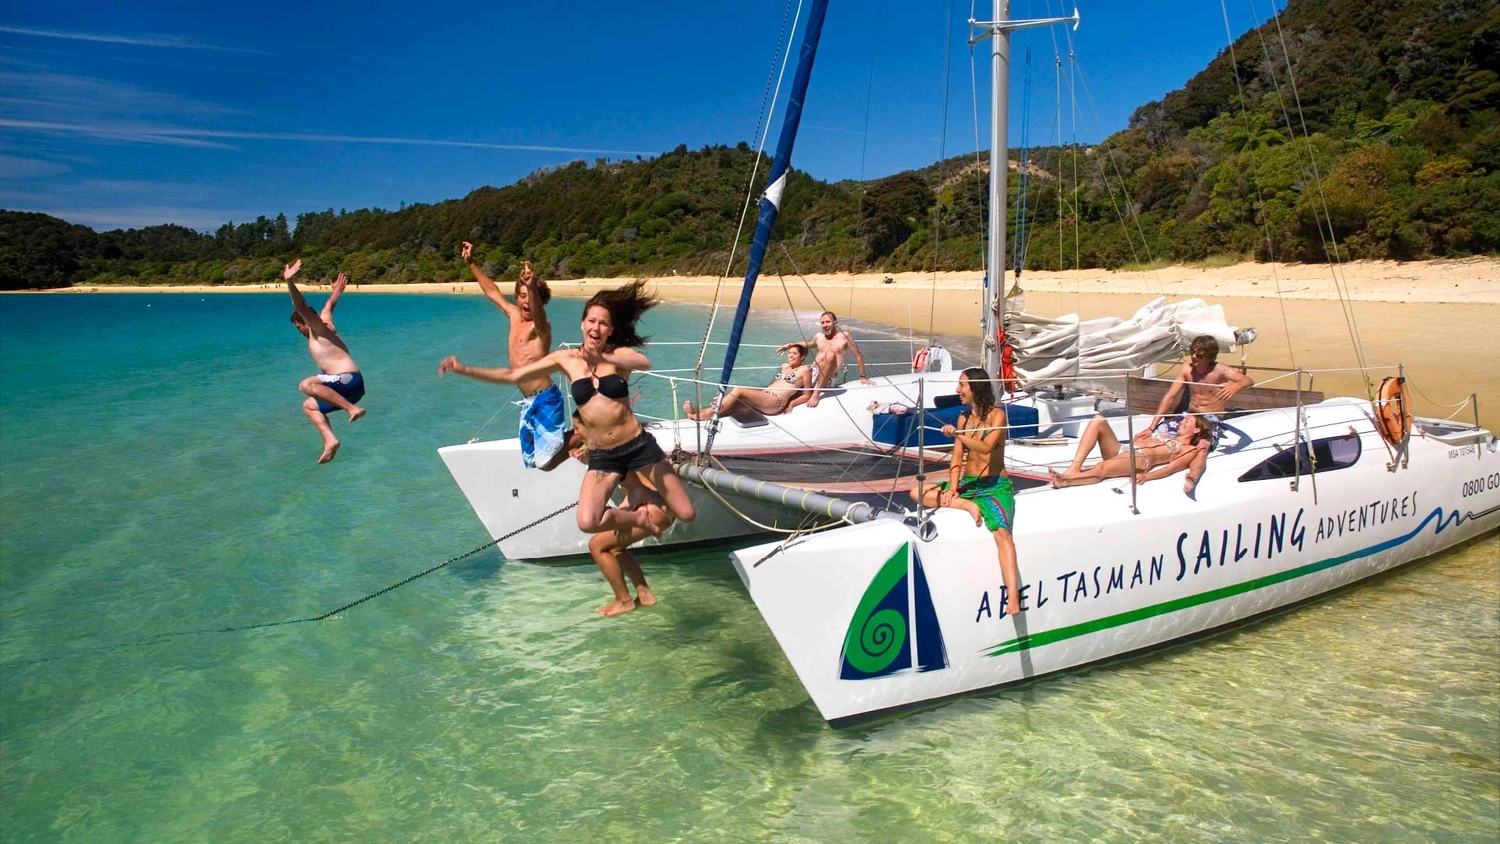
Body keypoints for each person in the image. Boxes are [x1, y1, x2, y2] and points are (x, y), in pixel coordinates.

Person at [438, 280, 696, 536]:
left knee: (686, 513)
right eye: (591, 321)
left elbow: (643, 362)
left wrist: (603, 357)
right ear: (582, 324)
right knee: (588, 521)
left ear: (610, 330)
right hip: (604, 456)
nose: (596, 327)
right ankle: (638, 516)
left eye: (603, 323)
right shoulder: (567, 359)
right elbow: (511, 374)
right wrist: (465, 369)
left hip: (637, 445)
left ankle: (642, 493)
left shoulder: (617, 355)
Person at [910, 367, 1022, 616]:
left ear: (976, 388)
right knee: (917, 493)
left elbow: (985, 448)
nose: (957, 390)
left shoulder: (997, 416)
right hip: (968, 485)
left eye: (962, 385)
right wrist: (953, 489)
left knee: (1003, 534)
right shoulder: (963, 418)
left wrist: (959, 434)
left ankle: (1012, 598)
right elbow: (957, 460)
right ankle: (967, 506)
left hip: (994, 484)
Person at [461, 242, 564, 469]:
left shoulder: (541, 327)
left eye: (531, 296)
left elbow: (538, 315)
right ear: (516, 298)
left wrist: (532, 286)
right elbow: (492, 291)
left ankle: (579, 436)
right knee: (531, 462)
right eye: (522, 296)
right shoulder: (514, 316)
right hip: (528, 402)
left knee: (546, 462)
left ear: (540, 299)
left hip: (546, 399)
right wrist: (471, 263)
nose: (526, 301)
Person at [284, 260, 365, 464]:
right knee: (310, 406)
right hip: (351, 388)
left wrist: (290, 281)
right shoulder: (325, 321)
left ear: (305, 322)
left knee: (307, 385)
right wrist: (337, 291)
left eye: (297, 327)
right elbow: (330, 305)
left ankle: (351, 409)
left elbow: (300, 305)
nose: (299, 331)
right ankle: (330, 441)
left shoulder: (318, 329)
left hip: (348, 380)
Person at [1049, 412, 1211, 496]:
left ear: (1196, 430)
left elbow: (1171, 468)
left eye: (1187, 421)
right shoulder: (1167, 435)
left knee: (1103, 467)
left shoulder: (1187, 449)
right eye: (1183, 420)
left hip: (1140, 459)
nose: (1182, 422)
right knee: (1098, 420)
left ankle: (1067, 480)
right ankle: (1074, 468)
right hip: (1124, 449)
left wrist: (1148, 476)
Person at [1144, 334, 1255, 452]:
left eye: (1199, 355)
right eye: (1192, 352)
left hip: (1210, 418)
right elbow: (1170, 396)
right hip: (1189, 414)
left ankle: (1189, 465)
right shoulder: (1187, 367)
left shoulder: (1220, 370)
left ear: (1210, 356)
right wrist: (1151, 427)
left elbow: (1248, 380)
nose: (1194, 357)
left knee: (1199, 445)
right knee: (1158, 433)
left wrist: (1235, 386)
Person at [682, 343, 813, 420]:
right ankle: (700, 414)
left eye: (795, 353)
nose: (791, 355)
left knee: (739, 391)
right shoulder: (784, 366)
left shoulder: (804, 370)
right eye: (790, 353)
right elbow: (775, 384)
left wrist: (792, 403)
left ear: (802, 357)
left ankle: (704, 414)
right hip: (765, 397)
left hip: (775, 402)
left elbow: (807, 395)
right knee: (733, 406)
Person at [777, 311, 875, 408]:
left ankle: (816, 394)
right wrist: (790, 345)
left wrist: (863, 376)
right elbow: (808, 343)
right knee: (786, 368)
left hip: (827, 379)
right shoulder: (819, 337)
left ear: (835, 323)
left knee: (830, 354)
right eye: (822, 322)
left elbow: (858, 355)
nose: (825, 325)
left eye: (828, 322)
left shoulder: (844, 336)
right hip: (811, 375)